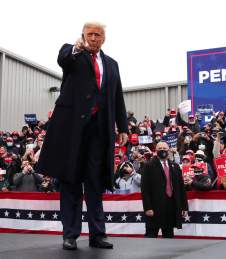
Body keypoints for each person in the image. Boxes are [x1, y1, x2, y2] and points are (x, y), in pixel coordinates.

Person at [36, 22, 128, 250]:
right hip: (72, 131)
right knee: (71, 181)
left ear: (104, 38)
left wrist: (123, 127)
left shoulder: (112, 65)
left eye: (98, 35)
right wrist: (76, 48)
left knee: (96, 183)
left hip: (100, 131)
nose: (94, 38)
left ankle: (98, 235)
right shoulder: (73, 54)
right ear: (83, 36)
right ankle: (70, 235)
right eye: (90, 34)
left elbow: (117, 97)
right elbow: (63, 59)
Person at [141, 141, 188, 238]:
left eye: (164, 148)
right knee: (151, 236)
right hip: (154, 207)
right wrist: (147, 207)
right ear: (155, 150)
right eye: (160, 149)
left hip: (171, 205)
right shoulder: (148, 165)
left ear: (169, 150)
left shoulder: (175, 166)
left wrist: (184, 206)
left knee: (169, 236)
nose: (162, 150)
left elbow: (181, 187)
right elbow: (145, 189)